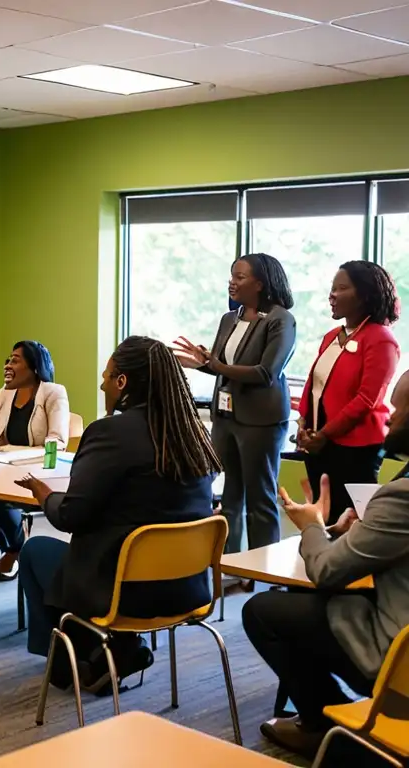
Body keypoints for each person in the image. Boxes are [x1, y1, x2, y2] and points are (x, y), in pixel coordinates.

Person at [15, 336, 221, 694]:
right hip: (187, 588)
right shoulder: (194, 434)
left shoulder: (110, 433)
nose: (101, 384)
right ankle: (116, 650)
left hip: (125, 592)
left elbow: (71, 515)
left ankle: (72, 664)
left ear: (122, 382)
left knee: (35, 551)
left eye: (107, 376)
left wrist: (45, 495)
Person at [242, 367, 409, 762]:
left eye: (398, 405)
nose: (388, 413)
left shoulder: (401, 495)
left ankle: (332, 730)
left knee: (264, 611)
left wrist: (312, 528)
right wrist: (348, 531)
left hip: (398, 653)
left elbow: (327, 571)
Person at [176, 252, 296, 555]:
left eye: (239, 277)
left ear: (260, 283)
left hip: (261, 420)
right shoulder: (230, 317)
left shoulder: (281, 319)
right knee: (229, 495)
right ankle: (229, 564)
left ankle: (264, 572)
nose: (232, 282)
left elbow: (266, 373)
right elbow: (223, 366)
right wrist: (199, 363)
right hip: (226, 416)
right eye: (231, 276)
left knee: (260, 498)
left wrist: (213, 364)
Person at [297, 261, 400, 524]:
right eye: (332, 288)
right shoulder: (332, 335)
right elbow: (313, 383)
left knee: (349, 522)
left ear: (365, 294)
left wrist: (324, 434)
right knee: (322, 518)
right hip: (319, 444)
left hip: (356, 447)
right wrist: (303, 425)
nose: (332, 295)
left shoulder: (381, 339)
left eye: (341, 288)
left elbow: (367, 398)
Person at [0, 341, 68, 580]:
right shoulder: (3, 394)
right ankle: (15, 548)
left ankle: (13, 551)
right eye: (8, 359)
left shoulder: (53, 392)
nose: (8, 365)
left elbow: (57, 442)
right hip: (3, 469)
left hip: (39, 473)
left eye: (15, 360)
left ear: (34, 367)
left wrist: (10, 450)